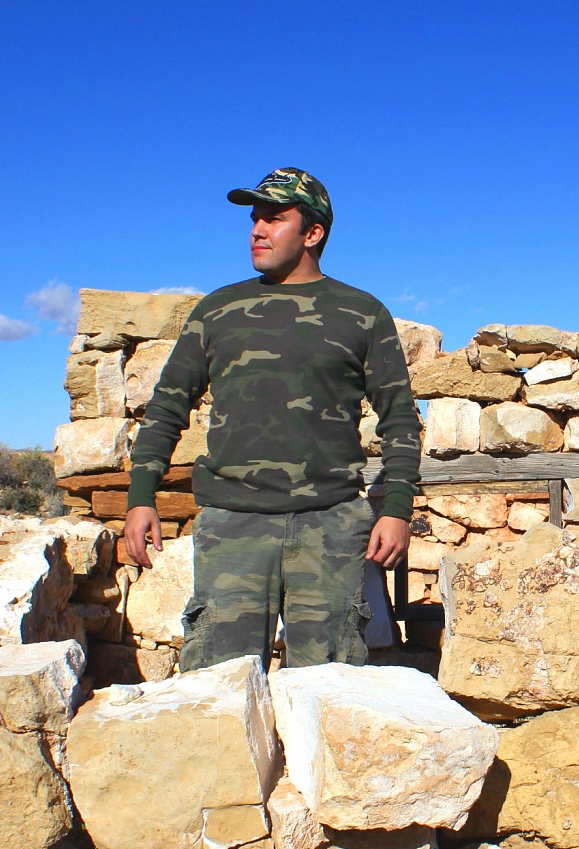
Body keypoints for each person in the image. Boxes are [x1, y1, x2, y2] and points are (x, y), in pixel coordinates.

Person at [124, 167, 421, 670]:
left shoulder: (362, 313)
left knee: (328, 687)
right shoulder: (219, 309)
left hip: (330, 524)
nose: (257, 230)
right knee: (220, 685)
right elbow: (167, 406)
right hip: (233, 523)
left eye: (274, 218)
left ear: (313, 232)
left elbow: (400, 419)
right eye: (254, 218)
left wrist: (396, 510)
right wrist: (140, 497)